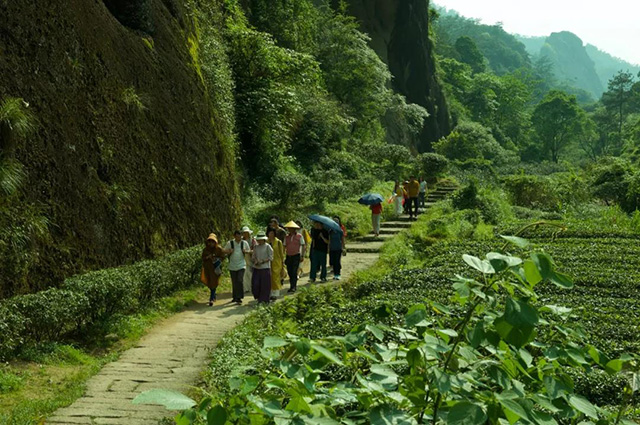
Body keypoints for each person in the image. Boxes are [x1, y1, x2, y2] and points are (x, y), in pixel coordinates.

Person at [224, 230, 251, 304]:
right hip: (232, 265)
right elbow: (224, 251)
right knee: (234, 281)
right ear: (234, 236)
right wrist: (229, 251)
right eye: (237, 236)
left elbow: (250, 251)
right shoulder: (230, 243)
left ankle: (239, 297)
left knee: (240, 280)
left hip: (241, 264)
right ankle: (235, 296)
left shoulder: (244, 243)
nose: (239, 238)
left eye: (240, 236)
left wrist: (246, 251)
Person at [200, 233, 225, 306]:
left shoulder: (219, 249)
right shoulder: (205, 250)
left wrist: (216, 258)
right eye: (209, 242)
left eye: (212, 242)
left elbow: (223, 257)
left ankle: (211, 298)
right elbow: (203, 258)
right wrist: (208, 257)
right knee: (209, 282)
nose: (211, 243)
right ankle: (213, 295)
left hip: (216, 268)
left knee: (214, 282)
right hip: (208, 268)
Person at [283, 221, 305, 293]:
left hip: (296, 255)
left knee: (294, 271)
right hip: (288, 256)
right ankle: (291, 286)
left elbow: (303, 245)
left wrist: (302, 255)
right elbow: (284, 246)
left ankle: (293, 286)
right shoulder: (286, 237)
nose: (290, 229)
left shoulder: (299, 236)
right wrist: (283, 256)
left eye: (291, 228)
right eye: (289, 228)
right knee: (289, 271)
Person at [251, 231, 273, 304]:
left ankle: (264, 300)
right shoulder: (256, 247)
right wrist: (255, 261)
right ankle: (258, 297)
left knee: (265, 285)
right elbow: (253, 256)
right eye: (258, 240)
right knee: (256, 284)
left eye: (261, 239)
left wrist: (263, 261)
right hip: (257, 268)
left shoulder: (267, 246)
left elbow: (271, 257)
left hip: (265, 268)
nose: (259, 241)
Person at [267, 228, 286, 300]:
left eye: (272, 233)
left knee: (276, 277)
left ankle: (276, 292)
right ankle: (271, 292)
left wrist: (282, 262)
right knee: (270, 277)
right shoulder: (267, 241)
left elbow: (281, 253)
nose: (270, 235)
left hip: (277, 261)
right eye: (269, 233)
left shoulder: (278, 242)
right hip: (268, 262)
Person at [329, 216, 346, 280]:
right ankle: (334, 274)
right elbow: (329, 240)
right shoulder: (330, 231)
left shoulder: (340, 231)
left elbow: (342, 239)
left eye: (337, 221)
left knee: (337, 261)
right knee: (333, 261)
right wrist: (328, 248)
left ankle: (338, 274)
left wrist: (344, 247)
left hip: (338, 248)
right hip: (332, 248)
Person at [241, 226, 256, 294]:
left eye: (246, 232)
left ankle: (251, 287)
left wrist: (249, 251)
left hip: (250, 258)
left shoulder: (252, 240)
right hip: (242, 258)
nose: (245, 234)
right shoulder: (241, 240)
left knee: (250, 273)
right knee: (244, 273)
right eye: (244, 233)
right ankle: (245, 288)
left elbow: (255, 249)